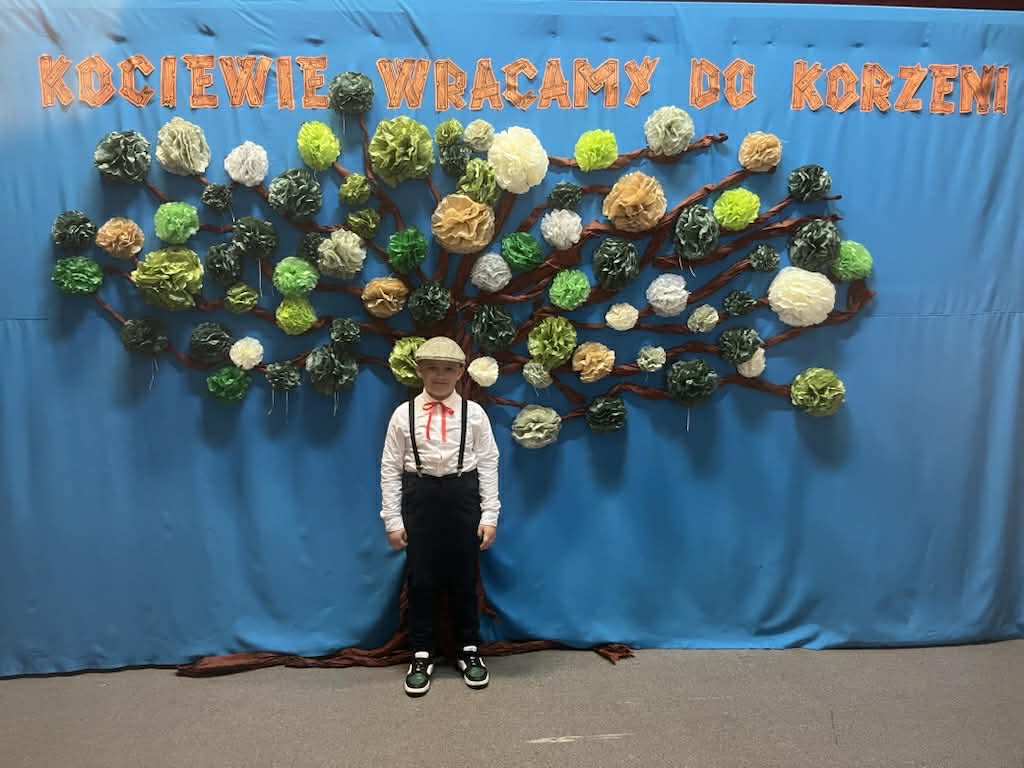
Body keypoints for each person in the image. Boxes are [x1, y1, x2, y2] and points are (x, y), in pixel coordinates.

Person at [379, 336, 501, 697]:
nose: (440, 376)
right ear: (419, 371)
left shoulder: (474, 414)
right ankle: (421, 651)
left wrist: (490, 514)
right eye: (432, 368)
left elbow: (489, 463)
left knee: (464, 576)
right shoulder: (403, 415)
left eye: (448, 369)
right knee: (421, 579)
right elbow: (389, 468)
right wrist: (393, 520)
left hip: (463, 496)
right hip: (420, 497)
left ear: (461, 373)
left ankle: (468, 648)